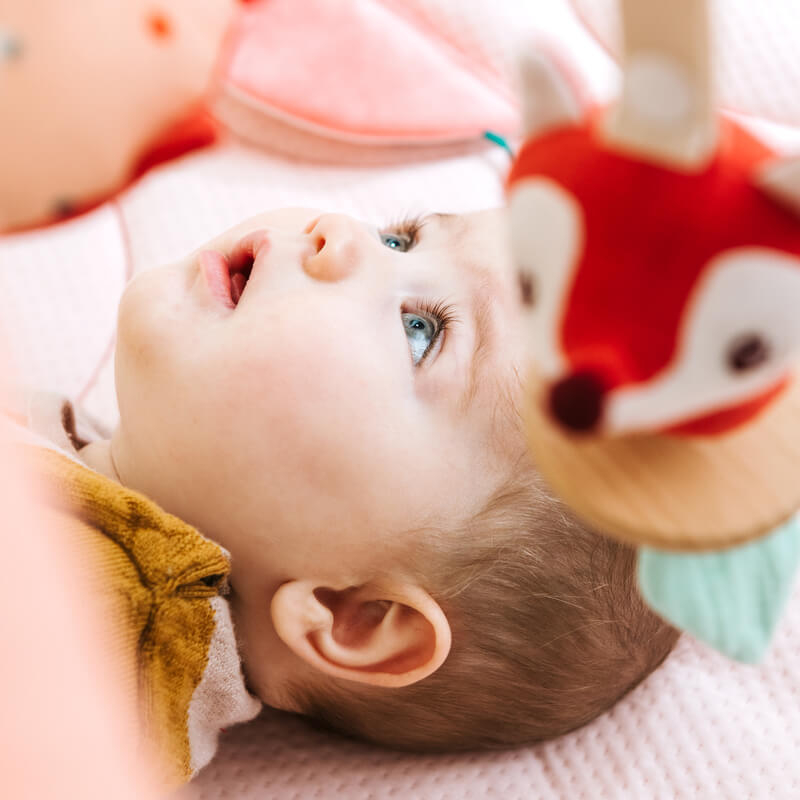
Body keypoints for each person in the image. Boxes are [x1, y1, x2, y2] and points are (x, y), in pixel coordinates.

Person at [13, 206, 678, 781]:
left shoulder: (95, 652)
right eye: (402, 239)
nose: (342, 234)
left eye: (422, 330)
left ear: (355, 615)